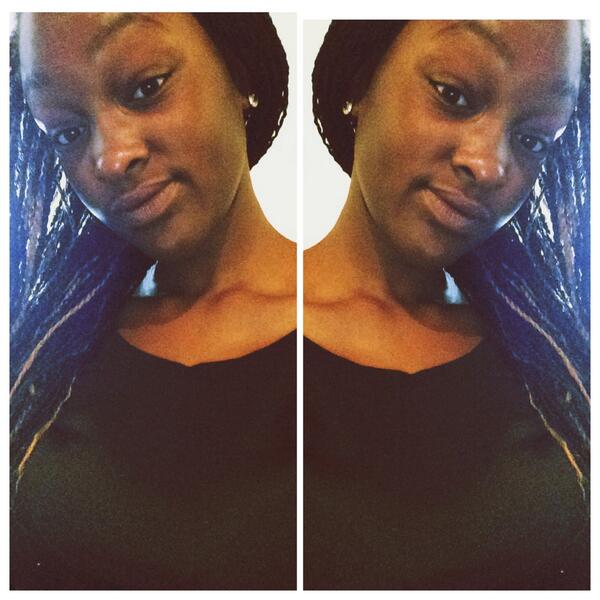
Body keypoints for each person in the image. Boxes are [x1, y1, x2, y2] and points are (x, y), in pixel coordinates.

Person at [10, 13, 296, 590]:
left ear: (240, 74)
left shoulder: (350, 336)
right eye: (67, 131)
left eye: (146, 87)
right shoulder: (48, 348)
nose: (111, 158)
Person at [304, 20, 589, 590]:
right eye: (454, 95)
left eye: (533, 139)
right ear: (359, 81)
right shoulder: (249, 340)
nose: (489, 166)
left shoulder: (553, 356)